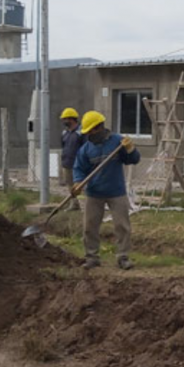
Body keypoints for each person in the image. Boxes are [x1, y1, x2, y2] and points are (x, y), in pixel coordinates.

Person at [72, 111, 140, 270]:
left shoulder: (118, 142)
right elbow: (79, 169)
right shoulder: (86, 149)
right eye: (87, 132)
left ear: (99, 127)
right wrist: (78, 183)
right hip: (94, 193)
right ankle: (92, 257)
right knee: (90, 227)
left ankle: (123, 257)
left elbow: (133, 160)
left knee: (122, 226)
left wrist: (131, 149)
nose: (89, 134)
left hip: (116, 191)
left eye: (91, 131)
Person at [59, 107, 85, 210]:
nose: (64, 121)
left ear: (72, 119)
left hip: (78, 163)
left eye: (66, 119)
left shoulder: (81, 132)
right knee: (70, 185)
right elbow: (63, 146)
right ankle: (74, 204)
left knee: (80, 185)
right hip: (67, 163)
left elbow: (85, 147)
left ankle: (83, 205)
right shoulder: (64, 133)